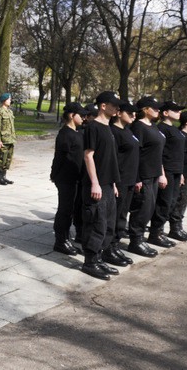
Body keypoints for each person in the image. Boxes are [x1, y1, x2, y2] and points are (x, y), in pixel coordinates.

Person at [80, 91, 122, 280]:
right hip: (95, 184)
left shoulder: (108, 128)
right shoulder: (93, 127)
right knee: (96, 223)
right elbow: (88, 156)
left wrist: (112, 183)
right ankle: (90, 262)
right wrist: (95, 183)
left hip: (107, 184)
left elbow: (108, 159)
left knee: (108, 224)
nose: (117, 108)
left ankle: (98, 258)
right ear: (103, 106)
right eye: (114, 105)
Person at [127, 96, 166, 258]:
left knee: (149, 208)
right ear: (145, 109)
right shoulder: (138, 127)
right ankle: (135, 241)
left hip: (154, 173)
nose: (158, 110)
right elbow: (135, 154)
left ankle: (140, 237)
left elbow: (158, 153)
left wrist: (162, 173)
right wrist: (137, 178)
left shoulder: (153, 126)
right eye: (154, 108)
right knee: (142, 208)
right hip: (144, 175)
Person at [50, 102, 87, 256]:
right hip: (66, 178)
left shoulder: (78, 132)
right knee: (65, 210)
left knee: (71, 210)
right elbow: (59, 157)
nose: (84, 118)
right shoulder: (65, 134)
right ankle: (61, 241)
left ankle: (66, 238)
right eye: (81, 115)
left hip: (76, 178)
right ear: (72, 115)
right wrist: (55, 175)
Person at [147, 101, 186, 248]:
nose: (178, 112)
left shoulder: (175, 128)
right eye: (175, 110)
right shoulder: (162, 128)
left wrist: (181, 173)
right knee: (163, 203)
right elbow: (160, 153)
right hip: (167, 170)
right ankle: (155, 233)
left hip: (176, 170)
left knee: (172, 202)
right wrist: (162, 173)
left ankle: (160, 231)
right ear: (165, 113)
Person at [107, 101, 137, 267]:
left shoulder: (128, 131)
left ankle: (115, 245)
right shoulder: (114, 132)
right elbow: (113, 160)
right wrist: (114, 181)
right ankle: (108, 248)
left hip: (130, 179)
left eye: (134, 113)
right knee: (115, 215)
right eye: (129, 112)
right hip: (120, 180)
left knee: (122, 215)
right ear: (119, 113)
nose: (133, 115)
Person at [0, 92, 16, 185]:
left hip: (10, 139)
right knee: (1, 158)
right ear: (4, 101)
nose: (10, 101)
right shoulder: (0, 112)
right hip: (3, 139)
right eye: (8, 99)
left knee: (8, 158)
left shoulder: (10, 111)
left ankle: (4, 176)